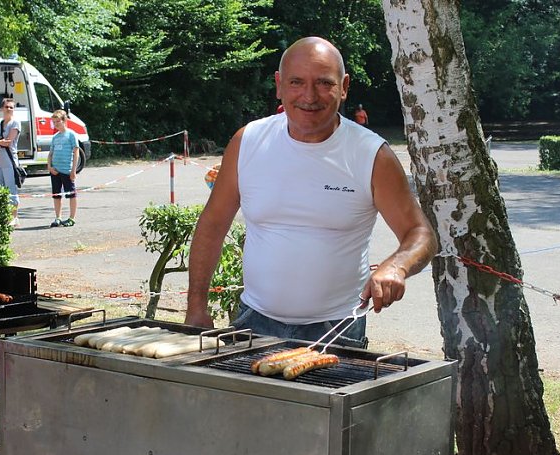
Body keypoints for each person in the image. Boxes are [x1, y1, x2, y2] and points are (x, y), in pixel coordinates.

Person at [184, 37, 437, 348]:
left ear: (344, 87)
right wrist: (196, 306)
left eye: (323, 83)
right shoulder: (247, 142)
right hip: (254, 320)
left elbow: (421, 233)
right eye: (296, 82)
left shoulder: (371, 155)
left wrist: (397, 266)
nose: (309, 96)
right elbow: (212, 225)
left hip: (337, 329)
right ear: (279, 85)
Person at [0, 98, 22, 226]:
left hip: (9, 159)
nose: (9, 109)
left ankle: (14, 217)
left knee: (11, 188)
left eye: (11, 107)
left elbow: (8, 142)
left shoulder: (15, 123)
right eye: (6, 107)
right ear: (2, 108)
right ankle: (3, 216)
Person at [47, 109, 79, 227]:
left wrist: (73, 170)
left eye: (58, 122)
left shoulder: (71, 135)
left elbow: (76, 153)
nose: (56, 124)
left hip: (67, 170)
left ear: (64, 121)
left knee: (71, 194)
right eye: (54, 122)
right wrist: (50, 167)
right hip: (55, 171)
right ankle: (58, 217)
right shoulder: (55, 137)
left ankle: (71, 218)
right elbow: (50, 154)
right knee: (56, 195)